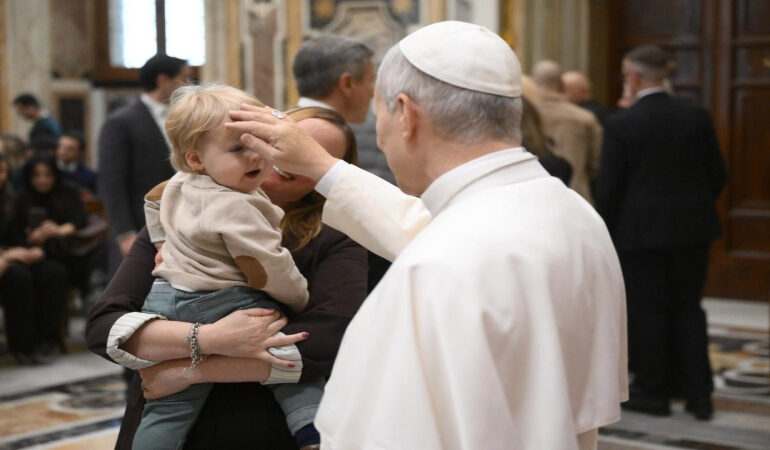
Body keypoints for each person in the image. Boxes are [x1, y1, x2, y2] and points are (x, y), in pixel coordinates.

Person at [228, 20, 627, 449]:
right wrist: (325, 170)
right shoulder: (570, 212)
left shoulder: (435, 268)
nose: (380, 137)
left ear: (406, 114)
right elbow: (429, 229)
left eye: (380, 117)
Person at [85, 106, 368, 449]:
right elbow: (105, 325)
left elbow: (323, 341)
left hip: (261, 428)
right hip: (166, 424)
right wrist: (208, 338)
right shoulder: (181, 215)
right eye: (279, 143)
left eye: (313, 156)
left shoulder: (337, 237)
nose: (285, 160)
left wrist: (191, 370)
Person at [132, 85, 311, 450]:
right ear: (196, 159)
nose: (254, 157)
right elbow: (266, 267)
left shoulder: (181, 183)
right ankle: (312, 430)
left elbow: (152, 200)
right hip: (222, 300)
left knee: (170, 409)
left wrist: (163, 243)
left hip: (164, 300)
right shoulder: (236, 206)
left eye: (258, 142)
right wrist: (298, 301)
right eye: (237, 149)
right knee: (287, 358)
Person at [595, 45, 727, 421]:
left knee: (648, 312)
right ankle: (699, 396)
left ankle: (654, 393)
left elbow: (609, 189)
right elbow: (717, 174)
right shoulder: (696, 117)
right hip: (692, 232)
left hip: (640, 235)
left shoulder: (621, 124)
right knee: (688, 309)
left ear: (633, 78)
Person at [293, 34, 390, 292]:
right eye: (371, 80)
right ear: (347, 83)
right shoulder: (380, 135)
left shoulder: (275, 125)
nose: (372, 91)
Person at [98, 54, 191, 277]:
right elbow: (111, 182)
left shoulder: (183, 117)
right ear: (163, 80)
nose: (188, 86)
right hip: (140, 226)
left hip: (181, 224)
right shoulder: (121, 122)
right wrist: (124, 233)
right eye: (184, 78)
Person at [0, 155, 69, 361]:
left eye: (3, 172)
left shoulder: (8, 199)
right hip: (6, 259)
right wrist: (8, 254)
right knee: (18, 277)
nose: (1, 177)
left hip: (11, 254)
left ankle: (44, 341)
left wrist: (30, 247)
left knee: (53, 272)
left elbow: (14, 235)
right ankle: (22, 346)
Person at [14, 156, 93, 302]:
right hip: (30, 253)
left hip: (66, 252)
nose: (42, 180)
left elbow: (80, 219)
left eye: (48, 175)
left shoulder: (68, 192)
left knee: (62, 272)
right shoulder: (21, 197)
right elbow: (15, 232)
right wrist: (30, 240)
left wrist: (58, 230)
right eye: (37, 175)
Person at [532, 59, 603, 204]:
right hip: (577, 194)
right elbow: (597, 161)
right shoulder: (584, 118)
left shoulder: (523, 116)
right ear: (563, 85)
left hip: (535, 194)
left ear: (533, 82)